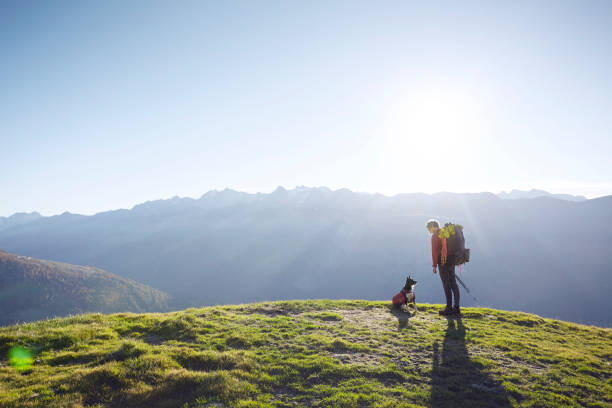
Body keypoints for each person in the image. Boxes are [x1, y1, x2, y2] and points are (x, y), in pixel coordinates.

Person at [427, 219, 460, 316]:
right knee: (453, 283)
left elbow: (434, 252)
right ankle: (456, 308)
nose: (429, 231)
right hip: (451, 261)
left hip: (442, 262)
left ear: (433, 226)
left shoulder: (435, 236)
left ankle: (449, 308)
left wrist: (434, 266)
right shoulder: (446, 233)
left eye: (429, 228)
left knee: (446, 284)